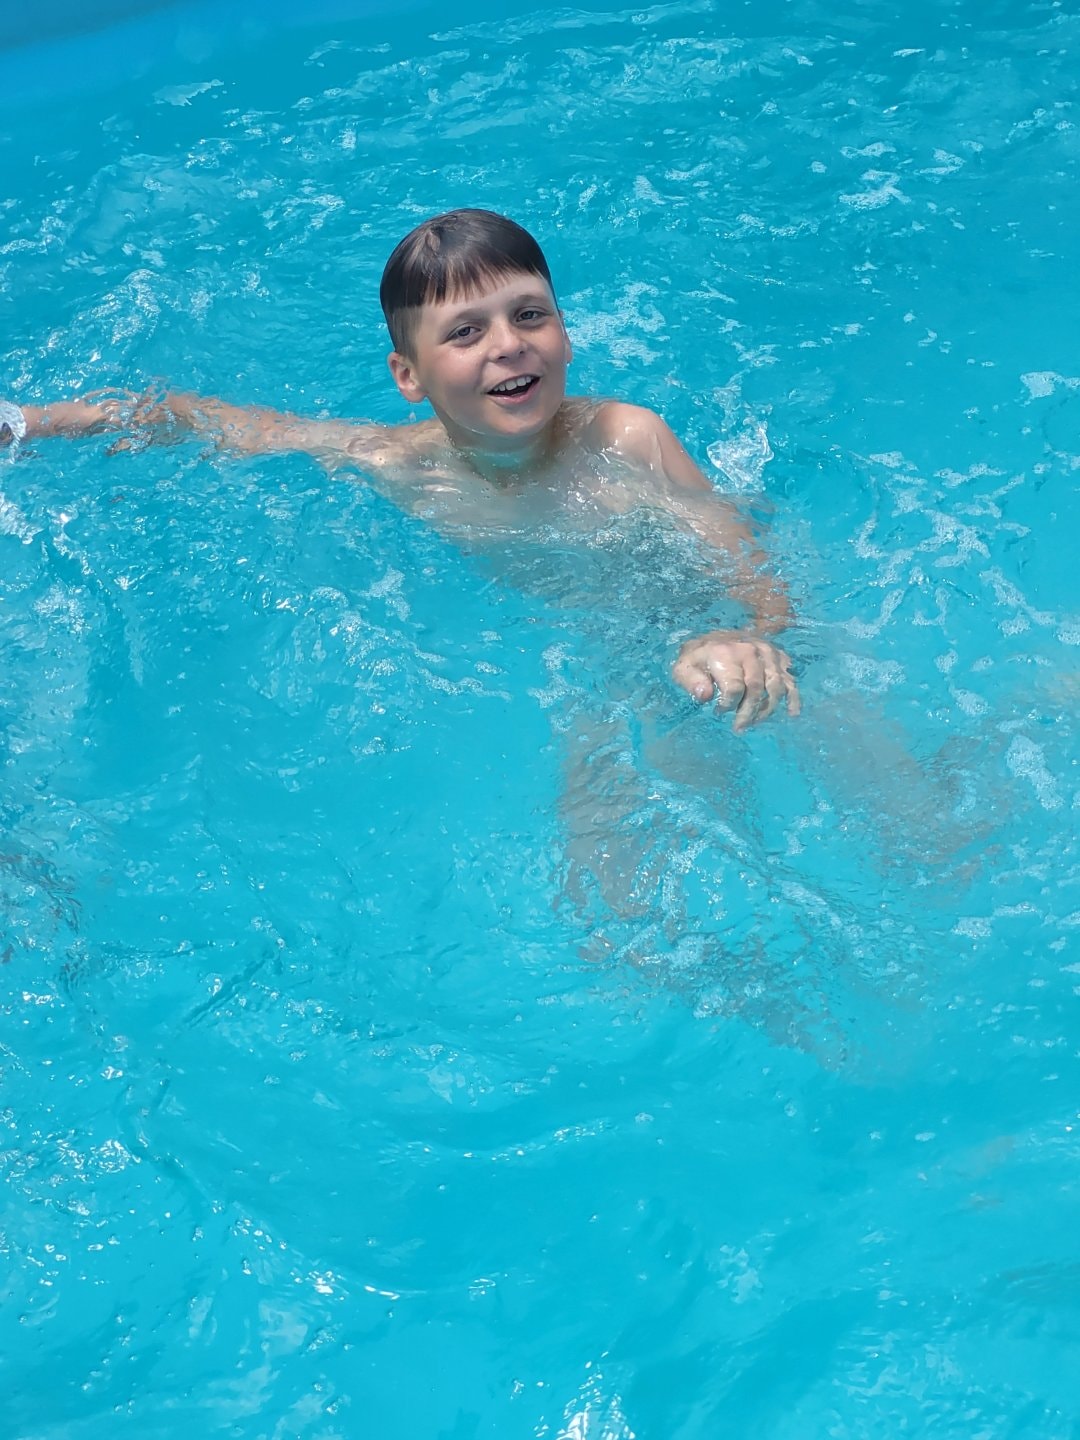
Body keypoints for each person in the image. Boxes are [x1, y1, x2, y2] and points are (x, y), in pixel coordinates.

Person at [3, 207, 799, 733]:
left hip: (697, 634)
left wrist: (741, 632)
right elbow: (217, 422)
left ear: (565, 332)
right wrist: (30, 422)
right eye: (465, 333)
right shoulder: (396, 464)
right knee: (601, 857)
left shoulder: (627, 438)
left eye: (529, 315)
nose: (508, 345)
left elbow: (757, 571)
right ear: (408, 376)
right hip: (599, 658)